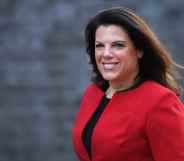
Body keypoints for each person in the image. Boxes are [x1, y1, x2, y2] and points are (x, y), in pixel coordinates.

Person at [72, 7, 184, 161]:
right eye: (99, 46)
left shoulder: (160, 102)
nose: (106, 54)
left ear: (139, 50)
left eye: (118, 45)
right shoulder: (93, 93)